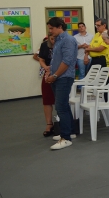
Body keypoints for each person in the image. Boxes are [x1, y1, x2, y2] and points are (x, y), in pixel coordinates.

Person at [46, 17, 79, 150]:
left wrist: (55, 75)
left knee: (61, 107)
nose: (50, 31)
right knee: (63, 105)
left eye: (52, 28)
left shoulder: (68, 40)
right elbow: (56, 59)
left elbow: (67, 61)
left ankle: (66, 138)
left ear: (60, 26)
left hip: (63, 77)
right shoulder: (59, 39)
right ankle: (70, 131)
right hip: (58, 77)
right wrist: (50, 72)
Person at [38, 35, 55, 137]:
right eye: (51, 38)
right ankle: (49, 124)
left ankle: (63, 122)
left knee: (62, 99)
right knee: (47, 99)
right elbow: (41, 59)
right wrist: (46, 68)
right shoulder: (45, 45)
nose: (53, 40)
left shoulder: (64, 44)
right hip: (48, 73)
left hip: (61, 72)